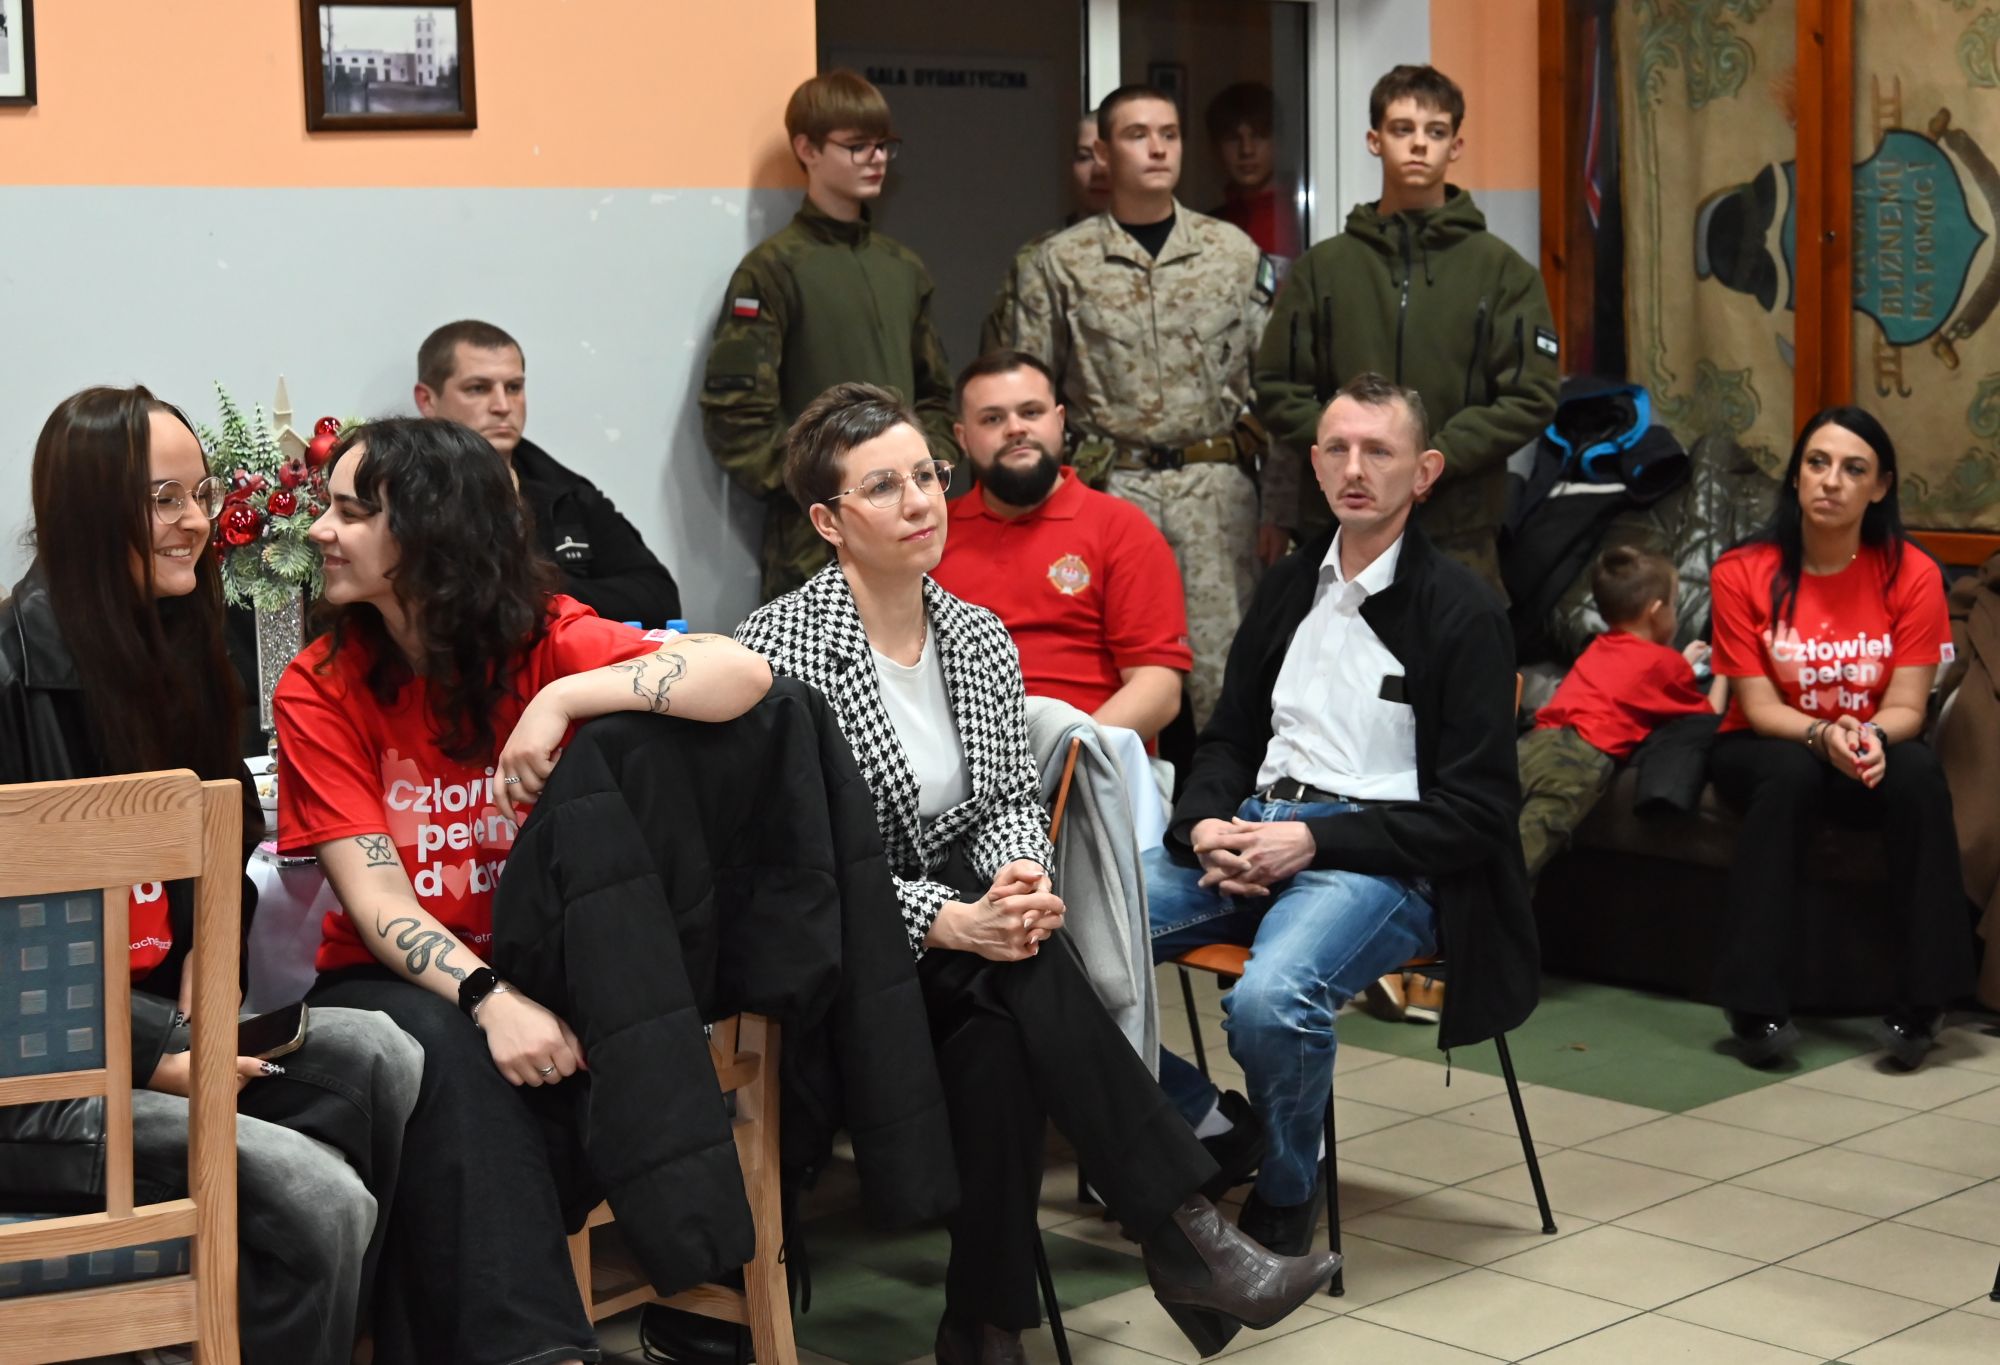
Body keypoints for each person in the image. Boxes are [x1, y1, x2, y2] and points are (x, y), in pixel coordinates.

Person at [734, 383, 1337, 1364]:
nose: (919, 501)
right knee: (1012, 981)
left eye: (925, 475)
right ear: (827, 521)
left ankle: (989, 1330)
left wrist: (1017, 871)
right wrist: (948, 919)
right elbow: (793, 868)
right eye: (882, 487)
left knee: (1003, 1025)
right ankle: (1176, 1240)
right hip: (840, 958)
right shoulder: (776, 650)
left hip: (960, 956)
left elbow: (1009, 795)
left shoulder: (974, 633)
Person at [276, 418, 772, 1365]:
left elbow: (742, 672)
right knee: (451, 1058)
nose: (320, 531)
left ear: (430, 529)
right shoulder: (321, 684)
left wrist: (563, 697)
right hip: (393, 984)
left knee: (484, 1117)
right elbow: (379, 908)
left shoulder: (542, 637)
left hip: (545, 972)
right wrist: (488, 996)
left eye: (351, 512)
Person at [0, 386, 423, 1365]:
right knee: (319, 1199)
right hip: (41, 1079)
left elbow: (223, 839)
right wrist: (159, 1051)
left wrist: (211, 963)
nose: (195, 521)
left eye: (200, 494)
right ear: (89, 511)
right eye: (163, 499)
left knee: (384, 1055)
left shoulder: (177, 645)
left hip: (154, 1028)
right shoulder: (15, 677)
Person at [1144, 374, 1537, 1255]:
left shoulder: (1463, 610)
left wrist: (1313, 840)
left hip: (1378, 861)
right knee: (1064, 940)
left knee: (1271, 1001)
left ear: (1424, 473)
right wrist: (1202, 825)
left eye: (1379, 451)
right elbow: (1228, 737)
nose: (1355, 469)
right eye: (1337, 449)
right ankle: (1210, 1124)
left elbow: (1477, 813)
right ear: (1315, 464)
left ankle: (1290, 1186)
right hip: (1249, 831)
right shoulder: (1289, 586)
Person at [1706, 406, 1971, 1070]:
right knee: (1790, 773)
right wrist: (1823, 734)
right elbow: (1758, 707)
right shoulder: (1742, 570)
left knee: (1917, 774)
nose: (1831, 481)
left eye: (1854, 469)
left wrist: (1870, 737)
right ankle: (1753, 1005)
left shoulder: (1913, 573)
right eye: (1817, 463)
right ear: (1796, 475)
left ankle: (1924, 1003)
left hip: (1867, 742)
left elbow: (1908, 705)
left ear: (1880, 487)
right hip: (1766, 744)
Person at [1010, 83, 1275, 729]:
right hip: (1111, 493)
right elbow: (1030, 393)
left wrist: (1281, 507)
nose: (1158, 149)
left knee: (1228, 681)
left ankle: (1224, 794)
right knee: (1111, 676)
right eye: (1137, 135)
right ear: (1103, 153)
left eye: (1170, 134)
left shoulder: (1232, 253)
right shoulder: (1061, 262)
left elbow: (1274, 388)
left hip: (1215, 497)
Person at [1254, 64, 1559, 586]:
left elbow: (1531, 396)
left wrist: (1435, 457)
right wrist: (1355, 452)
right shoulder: (1322, 269)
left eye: (1435, 132)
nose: (1419, 144)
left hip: (1458, 532)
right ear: (1375, 141)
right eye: (1402, 129)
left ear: (1455, 146)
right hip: (1337, 530)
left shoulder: (1504, 272)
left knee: (1455, 643)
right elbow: (1277, 388)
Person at [702, 69, 958, 602]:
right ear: (808, 149)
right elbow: (736, 416)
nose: (876, 158)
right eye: (857, 145)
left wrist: (919, 476)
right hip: (812, 543)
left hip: (907, 528)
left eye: (884, 145)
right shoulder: (772, 269)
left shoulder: (903, 268)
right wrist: (822, 486)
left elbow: (935, 394)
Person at [930, 350, 1188, 745]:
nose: (1015, 428)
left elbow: (1158, 688)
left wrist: (1067, 756)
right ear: (962, 438)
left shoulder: (1121, 528)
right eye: (992, 419)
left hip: (1090, 758)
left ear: (1060, 421)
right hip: (958, 761)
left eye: (1031, 412)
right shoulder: (932, 534)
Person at [413, 318, 682, 627]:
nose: (502, 405)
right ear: (427, 400)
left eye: (514, 387)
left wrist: (532, 587)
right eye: (478, 388)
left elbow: (659, 599)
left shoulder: (564, 491)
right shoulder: (402, 493)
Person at [1515, 545, 1722, 880]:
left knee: (1498, 829)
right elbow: (1707, 715)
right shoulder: (1664, 664)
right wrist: (1727, 672)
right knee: (1527, 850)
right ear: (1657, 611)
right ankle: (1487, 906)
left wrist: (1680, 663)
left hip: (1534, 741)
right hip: (1578, 757)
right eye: (1673, 604)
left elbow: (1633, 675)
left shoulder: (1597, 645)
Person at [978, 111, 1115, 355]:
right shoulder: (1037, 257)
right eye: (1085, 157)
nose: (1098, 171)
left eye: (1110, 157)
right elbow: (1002, 359)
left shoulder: (1166, 250)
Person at [1203, 82, 1301, 261]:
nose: (1247, 150)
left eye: (1258, 136)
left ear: (1278, 141)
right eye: (1233, 138)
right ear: (1216, 148)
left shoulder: (1303, 219)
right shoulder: (1207, 229)